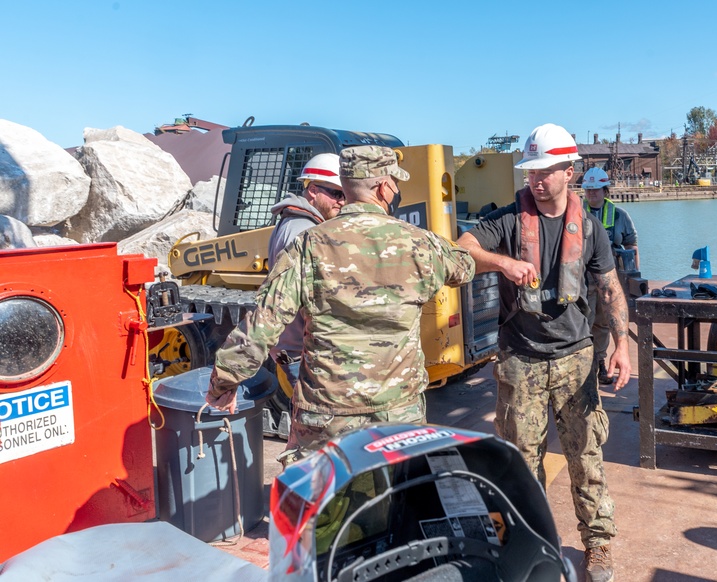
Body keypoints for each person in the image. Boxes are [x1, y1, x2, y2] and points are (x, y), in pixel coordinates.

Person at [206, 145, 476, 462]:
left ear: (346, 186)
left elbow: (261, 324)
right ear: (383, 187)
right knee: (394, 498)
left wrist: (222, 385)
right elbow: (464, 268)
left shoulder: (309, 244)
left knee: (323, 500)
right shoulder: (418, 242)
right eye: (395, 182)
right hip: (398, 412)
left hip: (326, 414)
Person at [457, 123, 631, 582]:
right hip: (521, 358)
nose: (536, 180)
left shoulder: (590, 228)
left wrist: (622, 345)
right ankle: (525, 545)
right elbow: (463, 248)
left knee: (586, 457)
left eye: (547, 171)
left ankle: (597, 545)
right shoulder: (508, 219)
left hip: (576, 357)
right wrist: (504, 262)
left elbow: (609, 288)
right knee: (520, 460)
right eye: (531, 170)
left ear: (569, 173)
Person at [267, 153, 345, 392]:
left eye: (345, 195)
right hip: (303, 354)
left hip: (300, 350)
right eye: (336, 194)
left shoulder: (301, 224)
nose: (342, 201)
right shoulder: (303, 232)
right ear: (312, 190)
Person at [581, 166, 639, 385]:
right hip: (581, 280)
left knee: (603, 324)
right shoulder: (574, 212)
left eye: (596, 190)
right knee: (583, 322)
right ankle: (584, 366)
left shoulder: (619, 216)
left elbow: (631, 245)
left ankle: (599, 362)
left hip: (608, 280)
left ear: (606, 191)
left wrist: (634, 277)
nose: (592, 194)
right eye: (588, 190)